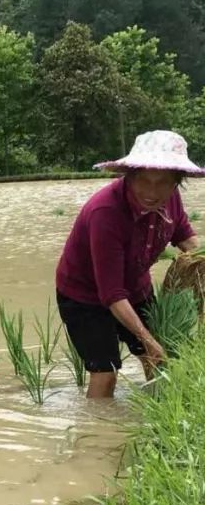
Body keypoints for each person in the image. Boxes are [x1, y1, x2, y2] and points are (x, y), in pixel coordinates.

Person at [55, 130, 203, 398]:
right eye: (144, 180)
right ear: (129, 176)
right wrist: (147, 339)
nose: (152, 192)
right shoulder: (106, 212)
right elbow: (111, 294)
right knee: (106, 371)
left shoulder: (170, 199)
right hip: (84, 296)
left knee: (157, 358)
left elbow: (184, 237)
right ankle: (97, 434)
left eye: (163, 182)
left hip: (135, 286)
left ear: (177, 183)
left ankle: (160, 412)